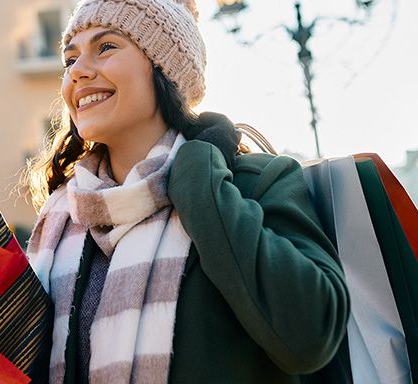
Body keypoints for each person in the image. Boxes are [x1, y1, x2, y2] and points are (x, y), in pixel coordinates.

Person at [23, 0, 351, 383]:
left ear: (165, 69)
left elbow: (312, 335)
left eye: (106, 46)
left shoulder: (255, 183)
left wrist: (198, 182)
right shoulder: (63, 217)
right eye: (70, 59)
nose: (77, 71)